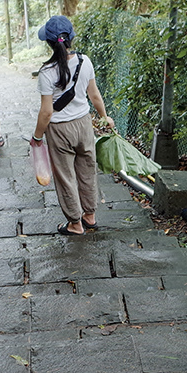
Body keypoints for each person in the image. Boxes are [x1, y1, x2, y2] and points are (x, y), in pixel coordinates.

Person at [31, 16, 115, 235]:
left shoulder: (46, 72)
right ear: (71, 38)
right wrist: (104, 116)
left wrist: (37, 137)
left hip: (60, 130)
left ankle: (75, 224)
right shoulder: (85, 61)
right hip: (84, 124)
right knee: (87, 171)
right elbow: (94, 95)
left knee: (66, 176)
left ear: (48, 43)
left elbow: (47, 112)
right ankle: (90, 216)